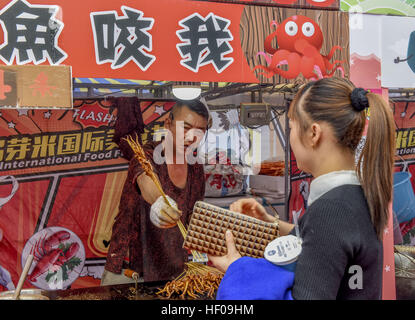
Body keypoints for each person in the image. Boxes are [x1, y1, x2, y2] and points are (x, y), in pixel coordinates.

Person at [209, 77, 395, 300]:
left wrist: (239, 270)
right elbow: (322, 246)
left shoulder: (332, 210)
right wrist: (272, 224)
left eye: (291, 127)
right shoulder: (354, 196)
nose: (291, 138)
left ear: (313, 133)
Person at [101, 99, 210, 285]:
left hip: (172, 272)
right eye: (186, 127)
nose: (192, 137)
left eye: (200, 131)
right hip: (130, 270)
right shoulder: (146, 154)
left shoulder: (196, 169)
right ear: (168, 123)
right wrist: (160, 201)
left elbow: (193, 217)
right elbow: (145, 180)